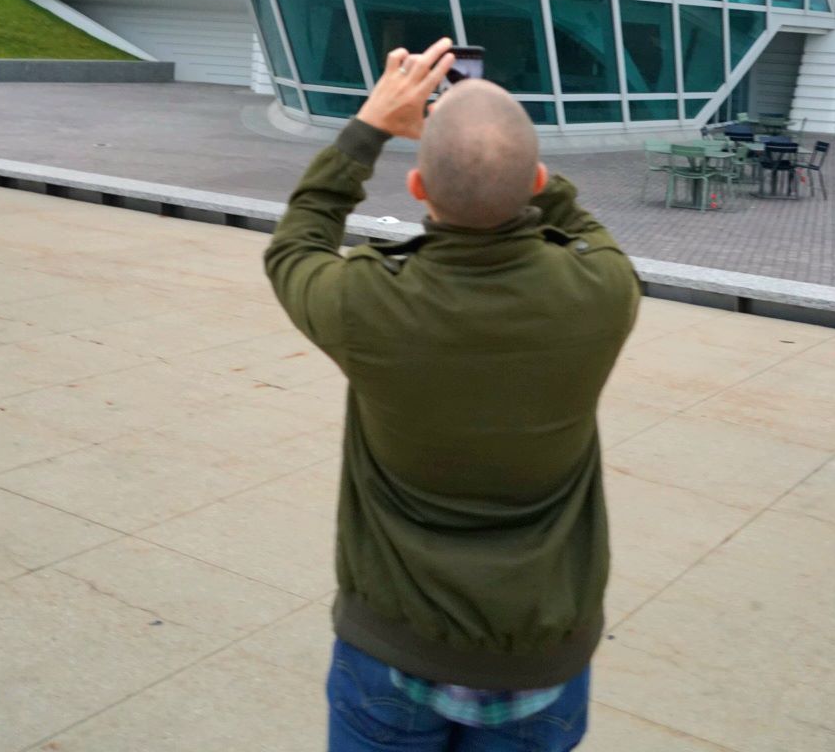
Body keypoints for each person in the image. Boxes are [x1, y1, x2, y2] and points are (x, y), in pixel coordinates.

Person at [264, 36, 640, 749]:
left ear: (417, 188)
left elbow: (295, 246)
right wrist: (505, 156)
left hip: (395, 644)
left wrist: (368, 129)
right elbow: (582, 225)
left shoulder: (367, 304)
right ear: (537, 180)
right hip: (542, 655)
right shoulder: (604, 291)